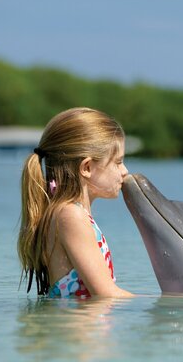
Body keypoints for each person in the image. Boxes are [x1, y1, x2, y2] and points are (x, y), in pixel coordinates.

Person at [18, 107, 134, 298]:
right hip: (74, 327)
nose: (124, 171)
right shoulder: (71, 215)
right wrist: (168, 305)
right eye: (118, 162)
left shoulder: (68, 213)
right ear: (87, 167)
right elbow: (106, 294)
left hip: (77, 326)